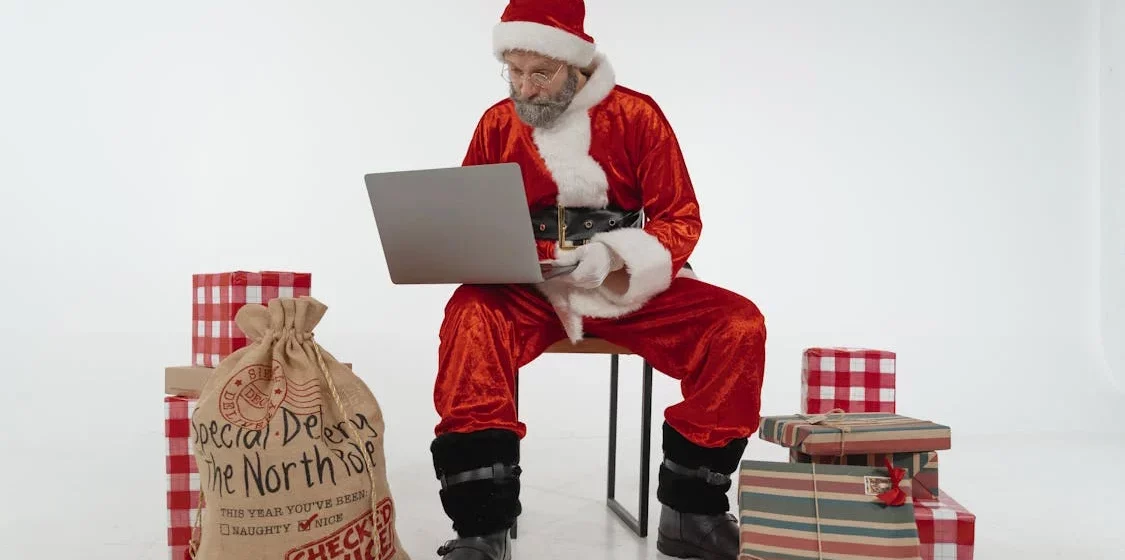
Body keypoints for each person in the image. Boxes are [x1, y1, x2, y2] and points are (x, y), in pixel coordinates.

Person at [429, 1, 766, 559]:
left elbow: (680, 217)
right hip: (527, 287)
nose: (526, 88)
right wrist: (486, 253)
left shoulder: (637, 116)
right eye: (514, 72)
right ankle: (481, 528)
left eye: (541, 73)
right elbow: (471, 215)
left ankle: (691, 512)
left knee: (737, 325)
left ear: (576, 65)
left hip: (626, 284)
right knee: (469, 316)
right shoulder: (495, 123)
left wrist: (614, 255)